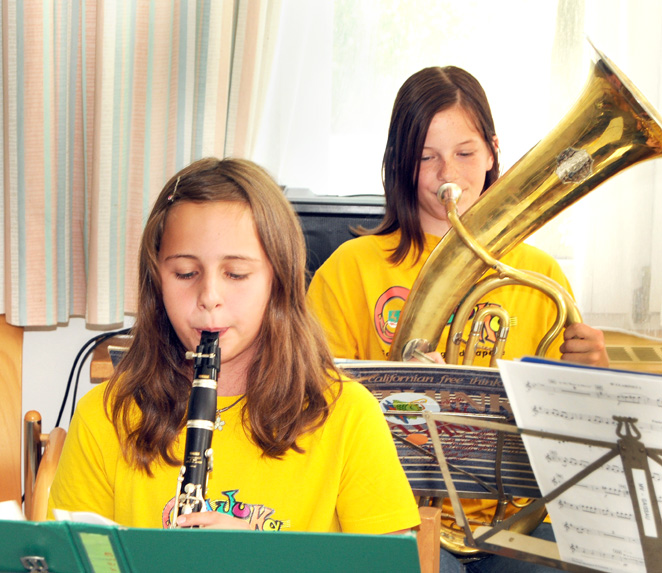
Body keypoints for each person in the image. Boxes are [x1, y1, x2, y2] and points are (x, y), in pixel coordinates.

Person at [306, 67, 609, 572]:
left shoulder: (540, 274)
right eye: (426, 157)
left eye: (465, 153)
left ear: (492, 152)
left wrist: (592, 379)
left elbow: (575, 442)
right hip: (396, 515)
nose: (447, 172)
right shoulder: (350, 268)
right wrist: (405, 390)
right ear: (400, 164)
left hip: (517, 521)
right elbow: (313, 406)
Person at [48, 157, 420, 535]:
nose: (209, 296)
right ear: (156, 280)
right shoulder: (105, 416)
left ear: (279, 280)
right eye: (185, 273)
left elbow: (388, 559)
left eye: (236, 274)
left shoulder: (348, 415)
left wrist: (258, 559)